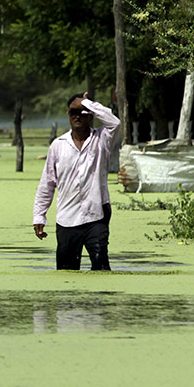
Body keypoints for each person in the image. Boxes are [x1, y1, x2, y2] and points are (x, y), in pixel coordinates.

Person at [32, 92, 121, 270]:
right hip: (67, 218)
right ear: (68, 114)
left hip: (97, 215)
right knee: (66, 270)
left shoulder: (102, 139)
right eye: (73, 112)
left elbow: (114, 122)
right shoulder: (58, 145)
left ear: (91, 115)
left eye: (82, 112)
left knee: (101, 266)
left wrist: (88, 103)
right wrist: (39, 215)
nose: (77, 116)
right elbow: (47, 183)